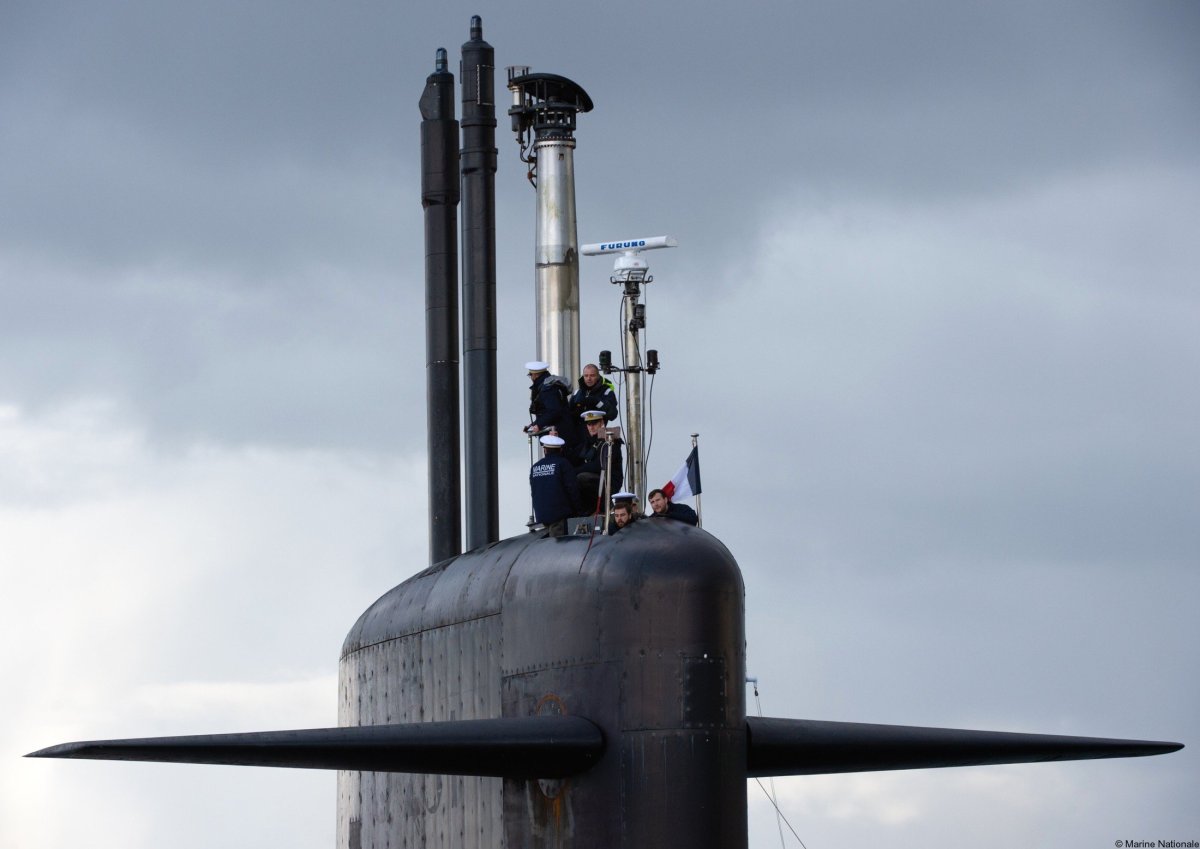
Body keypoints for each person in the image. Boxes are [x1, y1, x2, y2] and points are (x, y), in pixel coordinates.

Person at [573, 410, 624, 512]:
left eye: (594, 423)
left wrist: (574, 471)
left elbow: (599, 465)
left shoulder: (610, 440)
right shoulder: (589, 442)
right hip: (595, 480)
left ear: (602, 423)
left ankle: (606, 509)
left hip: (609, 481)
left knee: (581, 478)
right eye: (589, 424)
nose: (591, 427)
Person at [529, 435, 580, 537]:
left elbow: (534, 491)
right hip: (559, 518)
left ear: (545, 450)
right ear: (560, 450)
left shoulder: (535, 467)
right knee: (559, 543)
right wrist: (580, 512)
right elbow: (573, 489)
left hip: (541, 516)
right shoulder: (563, 464)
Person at [523, 360, 579, 449]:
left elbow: (554, 411)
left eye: (531, 375)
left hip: (559, 436)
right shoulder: (547, 386)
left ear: (536, 375)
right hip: (561, 434)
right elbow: (546, 412)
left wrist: (539, 425)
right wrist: (533, 425)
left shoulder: (548, 389)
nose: (531, 377)